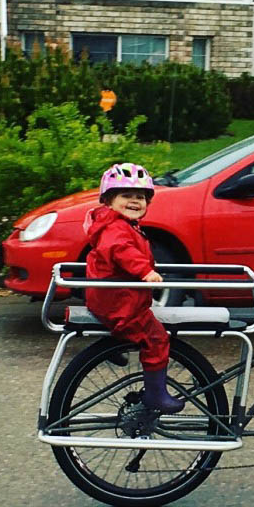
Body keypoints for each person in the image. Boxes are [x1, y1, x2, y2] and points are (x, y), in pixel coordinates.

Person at [83, 162, 184, 414]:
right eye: (126, 196)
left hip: (113, 298)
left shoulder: (121, 224)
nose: (134, 201)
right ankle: (156, 394)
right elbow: (121, 251)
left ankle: (115, 343)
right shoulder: (115, 228)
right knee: (157, 339)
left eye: (140, 197)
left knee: (141, 329)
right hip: (120, 303)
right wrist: (145, 270)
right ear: (108, 201)